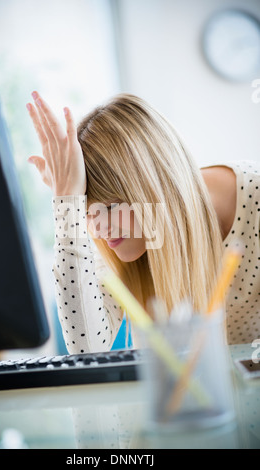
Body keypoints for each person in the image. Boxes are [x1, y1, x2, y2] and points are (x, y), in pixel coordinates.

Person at [26, 91, 260, 351]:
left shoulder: (254, 198)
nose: (99, 228)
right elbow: (87, 350)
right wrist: (67, 203)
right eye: (88, 213)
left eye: (111, 206)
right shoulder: (120, 240)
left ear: (152, 184)